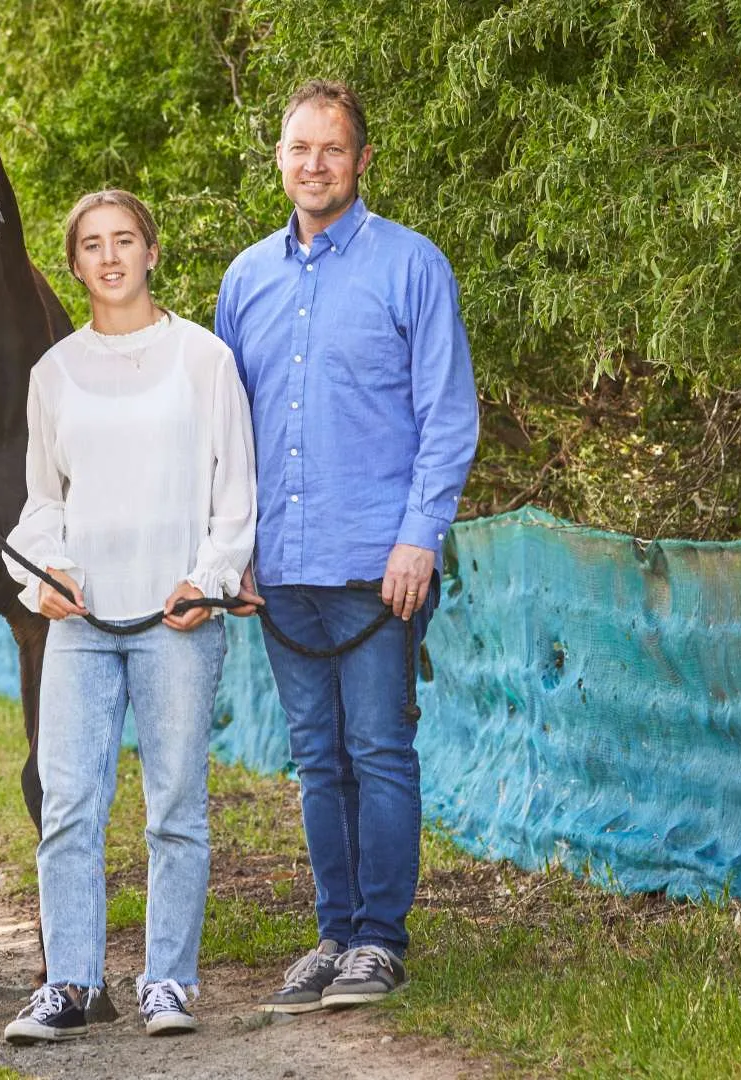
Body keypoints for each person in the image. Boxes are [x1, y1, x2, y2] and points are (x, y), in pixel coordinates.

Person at [212, 80, 478, 1013]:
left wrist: (419, 539)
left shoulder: (413, 267)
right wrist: (231, 551)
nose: (314, 164)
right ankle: (333, 934)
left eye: (333, 149)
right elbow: (227, 432)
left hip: (378, 567)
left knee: (379, 750)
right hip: (280, 569)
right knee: (316, 757)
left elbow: (447, 417)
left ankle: (380, 939)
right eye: (299, 148)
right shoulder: (244, 281)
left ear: (362, 162)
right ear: (279, 159)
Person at [0, 191, 256, 1045]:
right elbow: (39, 507)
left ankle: (168, 982)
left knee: (175, 805)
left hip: (177, 618)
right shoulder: (52, 374)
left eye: (124, 242)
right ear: (73, 266)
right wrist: (47, 576)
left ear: (151, 251)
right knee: (70, 802)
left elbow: (233, 500)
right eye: (92, 247)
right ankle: (70, 983)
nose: (110, 259)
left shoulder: (205, 360)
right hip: (79, 625)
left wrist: (208, 579)